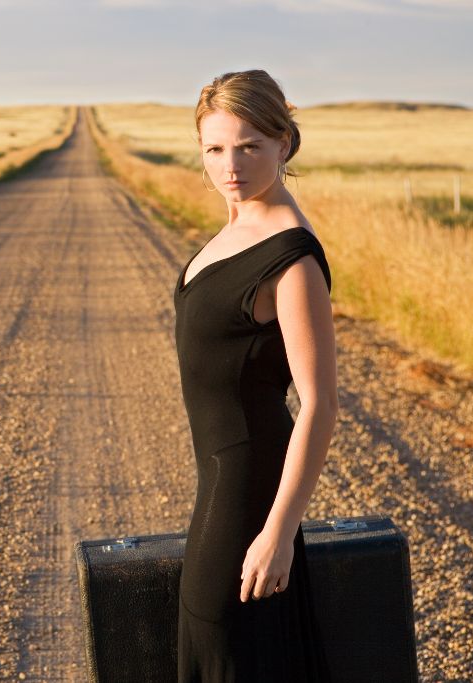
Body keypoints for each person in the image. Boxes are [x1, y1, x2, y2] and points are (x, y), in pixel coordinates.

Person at [173, 69, 337, 682]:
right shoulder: (239, 223)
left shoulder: (290, 257)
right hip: (219, 478)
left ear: (284, 144)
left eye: (250, 146)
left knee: (220, 635)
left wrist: (279, 532)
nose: (230, 165)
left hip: (248, 487)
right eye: (215, 149)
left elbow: (319, 403)